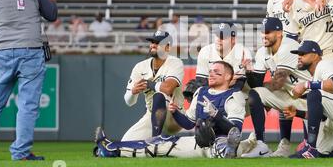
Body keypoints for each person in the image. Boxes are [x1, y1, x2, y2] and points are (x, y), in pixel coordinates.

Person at [0, 0, 57, 161]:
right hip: (31, 52)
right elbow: (51, 14)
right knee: (27, 105)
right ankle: (21, 153)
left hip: (3, 51)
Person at [94, 61, 247, 159]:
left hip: (219, 140)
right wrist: (175, 112)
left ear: (228, 76)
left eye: (216, 71)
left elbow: (235, 130)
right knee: (162, 141)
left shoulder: (234, 96)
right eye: (211, 70)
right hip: (200, 142)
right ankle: (112, 147)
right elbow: (188, 124)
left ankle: (226, 150)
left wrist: (217, 115)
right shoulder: (201, 92)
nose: (211, 73)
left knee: (222, 144)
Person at [241, 18, 312, 158]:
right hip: (291, 94)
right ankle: (263, 144)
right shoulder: (263, 52)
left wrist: (266, 92)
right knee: (256, 93)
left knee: (322, 148)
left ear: (279, 33)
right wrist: (249, 72)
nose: (263, 35)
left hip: (311, 99)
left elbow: (277, 83)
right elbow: (257, 85)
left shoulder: (288, 47)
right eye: (262, 32)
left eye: (268, 32)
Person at [116, 31, 184, 157]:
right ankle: (161, 144)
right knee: (125, 146)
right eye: (152, 42)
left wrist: (149, 84)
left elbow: (168, 88)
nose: (153, 45)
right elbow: (129, 102)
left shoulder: (175, 63)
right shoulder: (140, 67)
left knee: (160, 96)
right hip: (151, 115)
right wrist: (133, 92)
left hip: (173, 116)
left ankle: (156, 141)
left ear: (168, 47)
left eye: (158, 43)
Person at [195, 22, 252, 94]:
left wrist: (214, 82)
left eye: (223, 37)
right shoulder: (205, 51)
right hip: (210, 94)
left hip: (238, 95)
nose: (218, 39)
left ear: (233, 39)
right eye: (217, 35)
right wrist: (229, 80)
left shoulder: (243, 52)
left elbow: (237, 85)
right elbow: (201, 82)